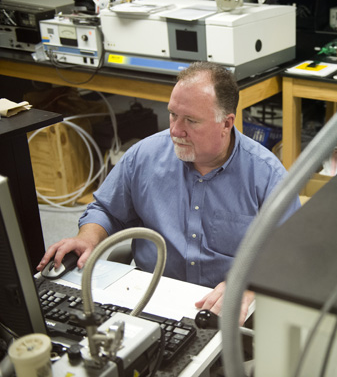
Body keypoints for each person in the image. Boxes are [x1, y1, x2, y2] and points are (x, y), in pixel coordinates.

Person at [37, 61, 300, 325]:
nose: (175, 130)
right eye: (173, 114)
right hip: (152, 297)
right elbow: (106, 210)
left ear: (226, 123)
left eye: (191, 121)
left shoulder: (267, 176)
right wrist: (88, 237)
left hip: (226, 309)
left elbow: (291, 255)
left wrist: (250, 286)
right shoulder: (145, 156)